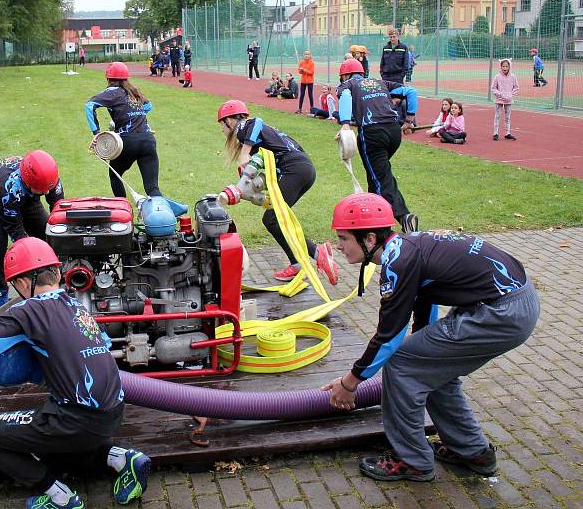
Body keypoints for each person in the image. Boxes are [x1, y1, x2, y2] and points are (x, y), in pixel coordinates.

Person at [321, 193, 539, 482]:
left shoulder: (398, 261)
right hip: (513, 304)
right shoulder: (408, 246)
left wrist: (350, 383)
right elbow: (426, 302)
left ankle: (412, 461)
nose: (338, 245)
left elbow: (388, 337)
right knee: (429, 368)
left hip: (500, 313)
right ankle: (473, 451)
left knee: (400, 365)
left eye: (344, 238)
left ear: (370, 239)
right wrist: (422, 348)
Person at [0, 237, 151, 509]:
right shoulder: (78, 307)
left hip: (75, 421)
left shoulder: (27, 311)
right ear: (58, 273)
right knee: (52, 442)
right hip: (113, 412)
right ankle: (122, 458)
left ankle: (59, 498)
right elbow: (103, 346)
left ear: (23, 284)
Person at [216, 100, 338, 284]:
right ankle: (298, 263)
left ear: (229, 120)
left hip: (295, 170)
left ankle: (317, 253)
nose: (222, 130)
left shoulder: (244, 126)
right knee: (277, 218)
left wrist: (245, 151)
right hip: (302, 169)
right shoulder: (263, 133)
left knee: (272, 218)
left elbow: (256, 121)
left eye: (221, 125)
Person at [0, 151, 64, 309]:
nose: (47, 194)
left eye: (48, 189)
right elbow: (18, 234)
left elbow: (60, 212)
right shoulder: (8, 189)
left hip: (28, 194)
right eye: (42, 191)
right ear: (28, 183)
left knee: (48, 233)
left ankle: (56, 277)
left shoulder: (48, 179)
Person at [335, 58, 420, 233]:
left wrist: (344, 123)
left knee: (380, 177)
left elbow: (344, 96)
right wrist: (409, 119)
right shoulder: (380, 82)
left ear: (345, 75)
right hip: (394, 132)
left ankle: (402, 217)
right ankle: (372, 218)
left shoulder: (348, 85)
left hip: (373, 133)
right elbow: (410, 91)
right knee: (378, 174)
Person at [85, 62, 163, 198]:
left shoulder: (110, 93)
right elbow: (148, 106)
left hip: (127, 141)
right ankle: (163, 214)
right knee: (152, 187)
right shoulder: (134, 91)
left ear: (108, 79)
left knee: (115, 176)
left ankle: (123, 209)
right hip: (148, 140)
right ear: (126, 78)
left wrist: (96, 133)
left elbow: (89, 105)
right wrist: (134, 116)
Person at [491, 58, 519, 141]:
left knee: (508, 117)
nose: (505, 68)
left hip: (509, 101)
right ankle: (495, 133)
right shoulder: (497, 77)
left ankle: (507, 133)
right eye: (503, 66)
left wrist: (510, 94)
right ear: (500, 67)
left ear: (509, 67)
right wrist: (500, 94)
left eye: (507, 66)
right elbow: (493, 88)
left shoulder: (513, 77)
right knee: (497, 116)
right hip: (499, 100)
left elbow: (516, 87)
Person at [296, 50, 315, 114]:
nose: (307, 55)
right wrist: (301, 70)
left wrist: (304, 70)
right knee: (302, 95)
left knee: (310, 95)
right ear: (304, 55)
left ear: (310, 55)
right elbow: (299, 72)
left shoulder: (312, 63)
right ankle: (300, 108)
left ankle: (312, 109)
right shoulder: (301, 62)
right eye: (305, 54)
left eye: (308, 54)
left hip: (310, 82)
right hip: (303, 81)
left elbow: (311, 72)